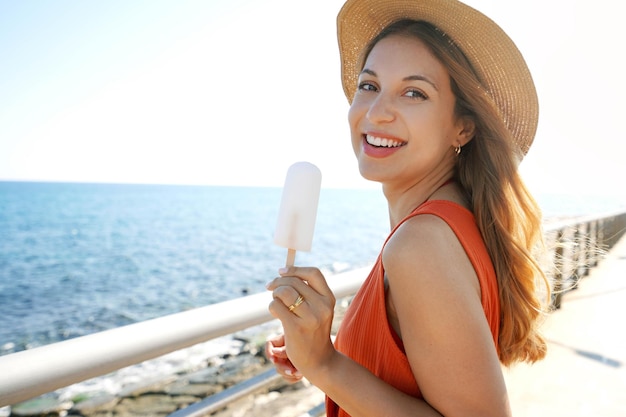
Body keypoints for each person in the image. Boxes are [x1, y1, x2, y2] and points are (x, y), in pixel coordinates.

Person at [266, 0, 549, 415]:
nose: (377, 113)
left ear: (462, 126)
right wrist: (319, 349)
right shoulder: (449, 222)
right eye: (369, 86)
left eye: (414, 92)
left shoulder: (421, 244)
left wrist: (324, 365)